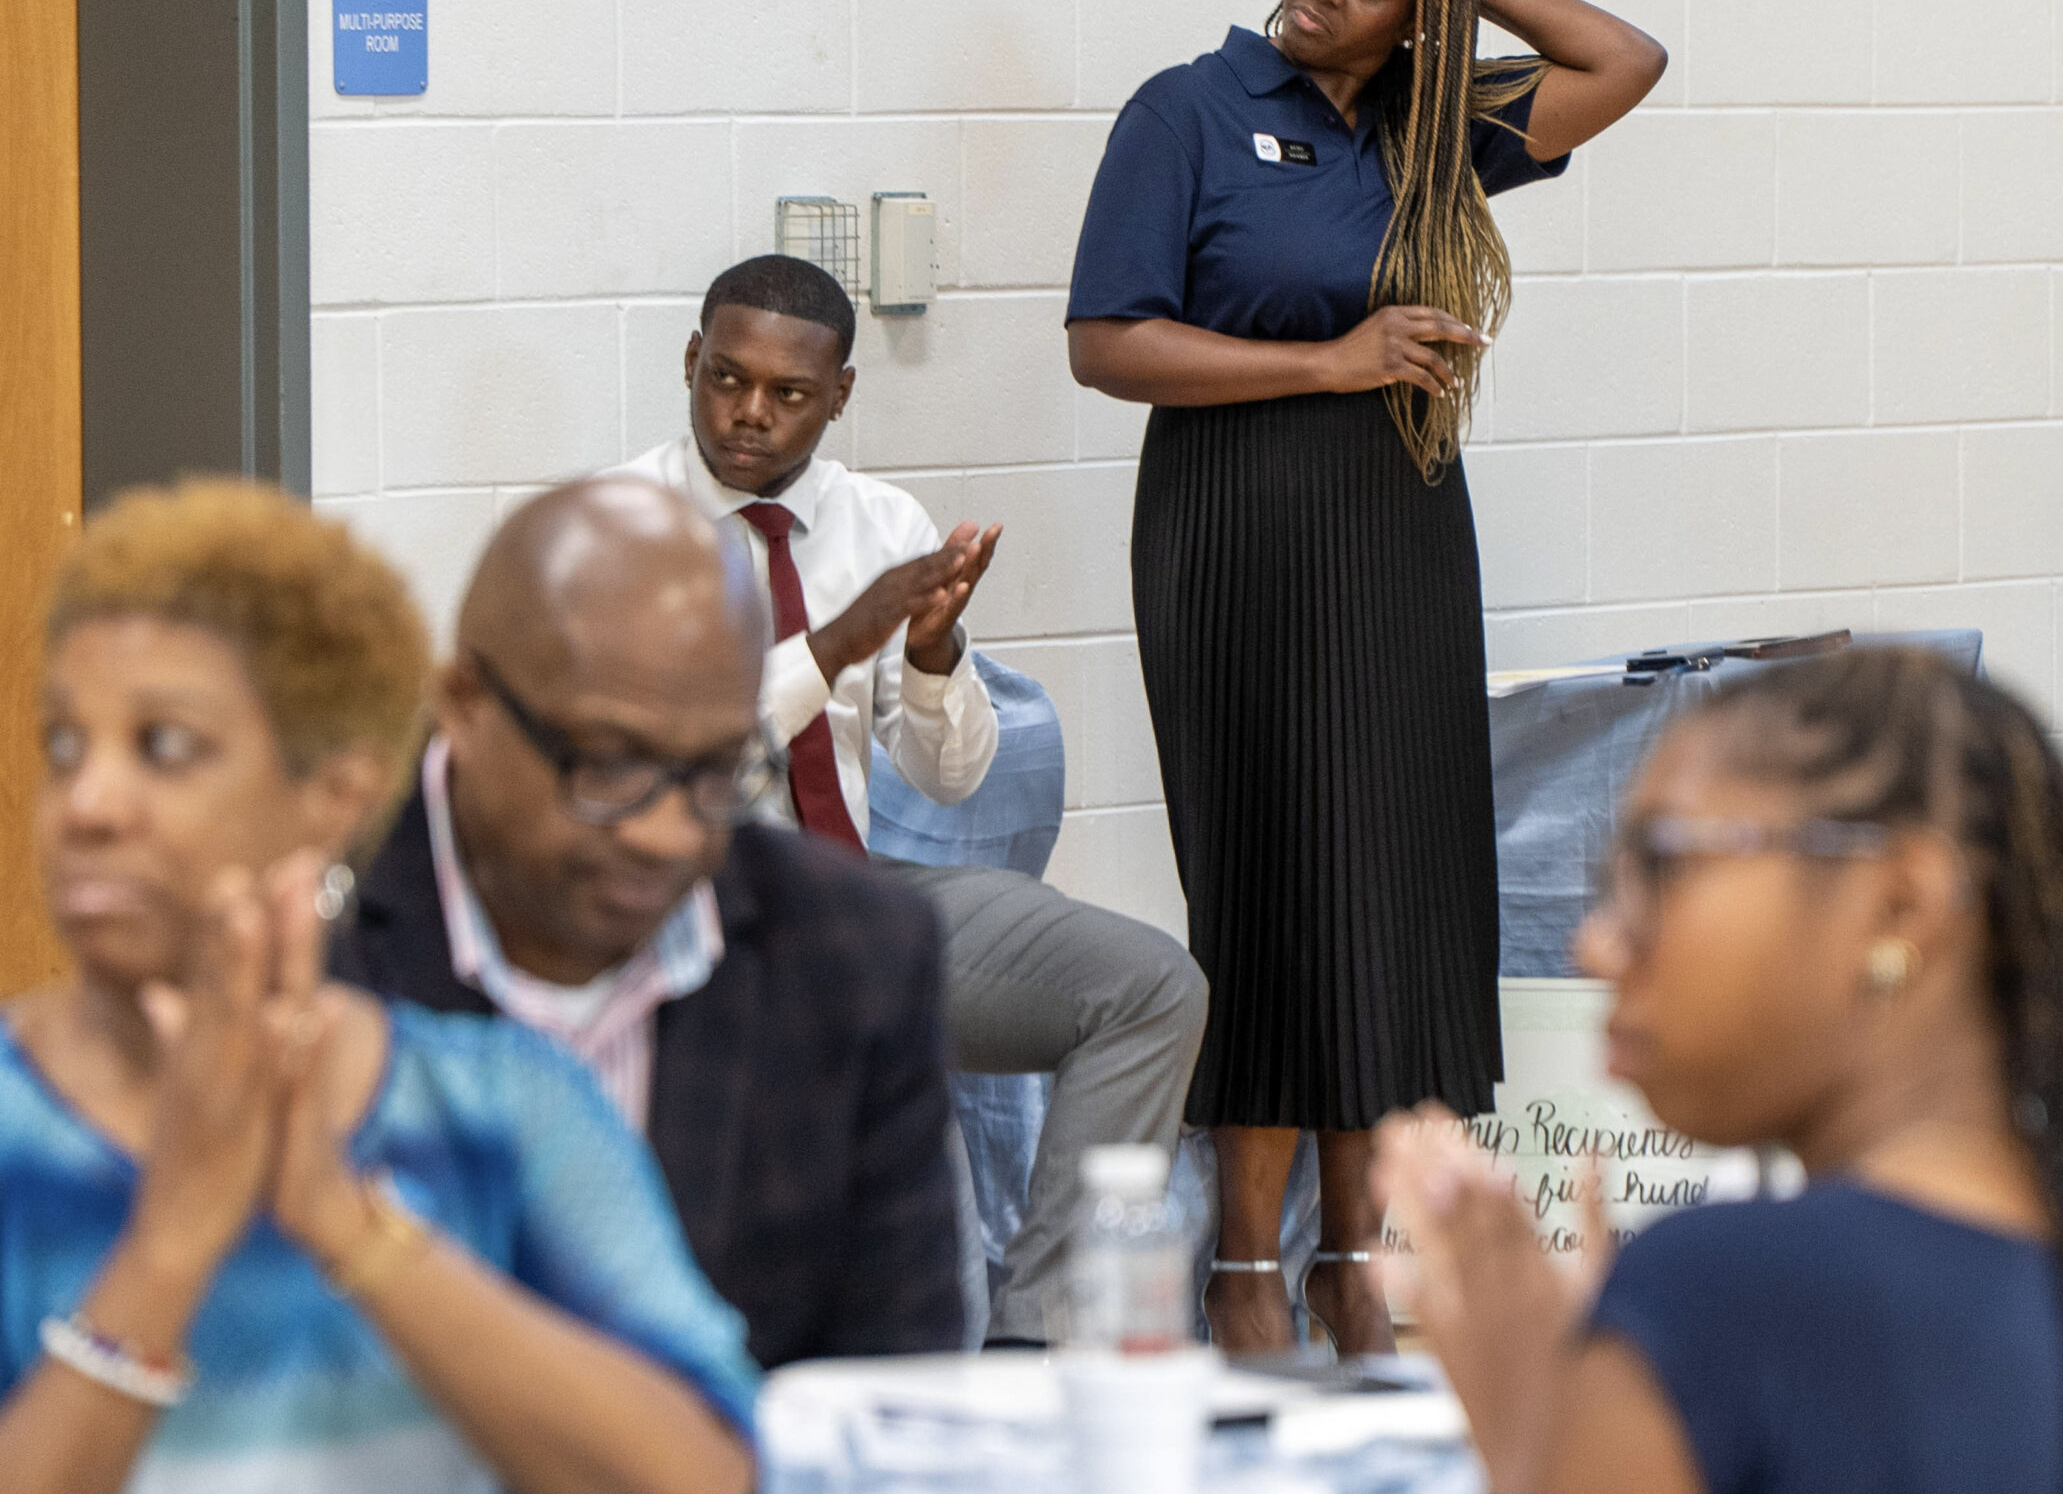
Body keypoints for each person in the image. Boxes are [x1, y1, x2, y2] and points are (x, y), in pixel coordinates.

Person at [1065, 0, 1667, 1353]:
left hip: (1400, 541)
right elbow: (1107, 341)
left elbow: (1625, 62)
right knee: (1269, 880)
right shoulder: (1185, 111)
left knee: (1388, 888)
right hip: (1238, 538)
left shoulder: (1428, 124)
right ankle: (1241, 1273)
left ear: (1416, 17)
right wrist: (1329, 363)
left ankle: (1352, 1263)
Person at [0, 478, 757, 1493]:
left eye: (164, 747)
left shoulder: (503, 1106)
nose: (87, 804)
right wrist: (169, 1243)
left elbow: (710, 1473)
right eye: (64, 744)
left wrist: (344, 1217)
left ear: (334, 795)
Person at [1377, 648, 2063, 1494]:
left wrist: (1530, 1426)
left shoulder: (1719, 1293)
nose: (1597, 944)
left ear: (1899, 906)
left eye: (1663, 865)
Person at [611, 253, 1209, 1348]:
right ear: (691, 361)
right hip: (685, 902)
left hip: (852, 893)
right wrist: (840, 641)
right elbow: (673, 752)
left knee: (1148, 986)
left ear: (839, 396)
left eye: (789, 393)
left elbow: (951, 774)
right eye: (726, 378)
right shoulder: (620, 524)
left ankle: (1037, 1341)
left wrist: (934, 653)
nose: (749, 413)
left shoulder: (881, 522)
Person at [334, 476, 966, 1364]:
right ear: (464, 706)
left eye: (716, 771)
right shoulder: (302, 940)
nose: (665, 833)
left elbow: (892, 1395)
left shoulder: (853, 957)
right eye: (607, 764)